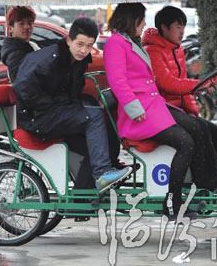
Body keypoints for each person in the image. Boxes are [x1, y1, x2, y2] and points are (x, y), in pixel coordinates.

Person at [104, 2, 212, 220]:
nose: (144, 24)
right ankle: (172, 202)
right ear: (130, 20)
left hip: (153, 108)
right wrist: (134, 109)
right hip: (139, 114)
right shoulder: (116, 43)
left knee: (194, 131)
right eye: (141, 19)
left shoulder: (129, 41)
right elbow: (118, 81)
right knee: (185, 143)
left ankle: (199, 188)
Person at [13, 16, 131, 194]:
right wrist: (58, 104)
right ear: (69, 40)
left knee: (105, 129)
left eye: (89, 46)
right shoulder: (46, 60)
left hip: (56, 112)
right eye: (80, 44)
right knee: (92, 117)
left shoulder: (78, 61)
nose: (84, 50)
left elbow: (71, 93)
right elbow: (23, 90)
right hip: (37, 117)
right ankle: (102, 174)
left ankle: (82, 197)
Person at [143, 5, 217, 192]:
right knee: (198, 129)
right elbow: (167, 83)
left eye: (183, 27)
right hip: (162, 110)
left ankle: (208, 177)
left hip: (178, 110)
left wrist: (193, 110)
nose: (182, 32)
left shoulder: (177, 49)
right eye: (178, 27)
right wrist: (199, 85)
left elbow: (183, 83)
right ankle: (207, 182)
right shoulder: (152, 51)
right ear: (164, 27)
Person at [1, 5, 42, 82]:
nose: (27, 27)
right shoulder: (15, 54)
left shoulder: (31, 45)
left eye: (30, 23)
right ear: (10, 28)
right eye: (21, 23)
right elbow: (23, 83)